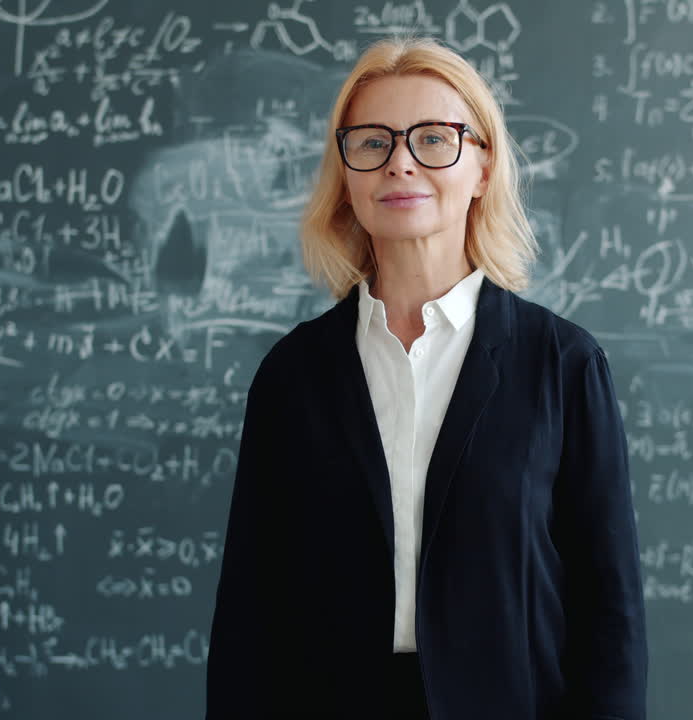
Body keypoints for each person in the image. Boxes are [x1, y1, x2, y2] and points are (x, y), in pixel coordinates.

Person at [206, 35, 647, 720]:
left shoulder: (563, 365)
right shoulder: (293, 377)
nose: (400, 164)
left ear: (482, 165)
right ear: (346, 173)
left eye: (434, 139)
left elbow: (610, 615)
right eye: (373, 142)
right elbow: (249, 618)